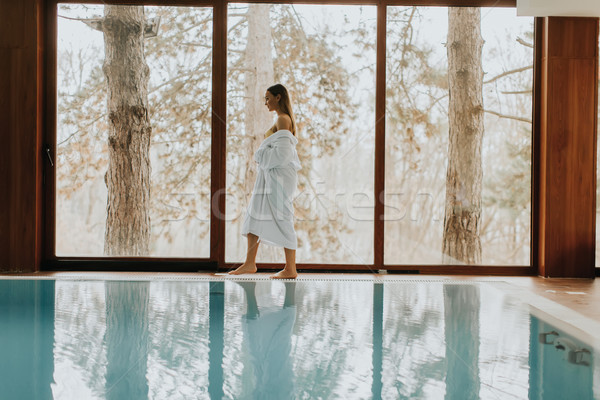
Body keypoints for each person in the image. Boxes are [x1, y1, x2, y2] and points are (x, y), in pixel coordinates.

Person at [229, 84, 301, 279]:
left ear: (278, 97)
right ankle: (250, 263)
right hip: (272, 175)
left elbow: (283, 155)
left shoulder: (283, 119)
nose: (265, 102)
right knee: (255, 213)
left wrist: (261, 154)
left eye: (268, 98)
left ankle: (290, 269)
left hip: (279, 177)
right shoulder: (282, 119)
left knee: (283, 216)